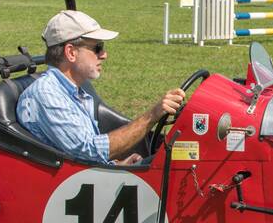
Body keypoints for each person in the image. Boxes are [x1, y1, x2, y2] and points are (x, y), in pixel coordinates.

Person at [18, 9, 184, 164]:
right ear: (71, 52)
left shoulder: (74, 89)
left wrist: (117, 165)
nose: (104, 55)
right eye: (97, 48)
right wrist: (152, 115)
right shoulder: (47, 94)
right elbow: (90, 151)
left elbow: (85, 155)